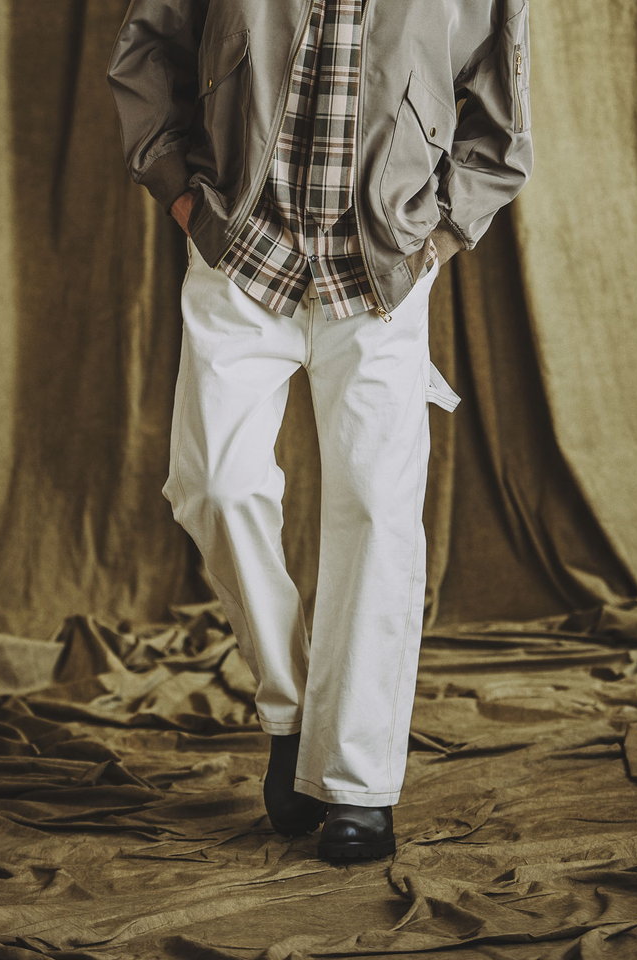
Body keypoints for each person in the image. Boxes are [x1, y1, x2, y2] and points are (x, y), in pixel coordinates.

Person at [107, 0, 532, 862]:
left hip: (381, 271)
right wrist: (184, 196)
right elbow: (149, 45)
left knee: (375, 515)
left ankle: (357, 782)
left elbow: (502, 115)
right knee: (214, 485)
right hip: (240, 253)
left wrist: (440, 236)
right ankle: (292, 712)